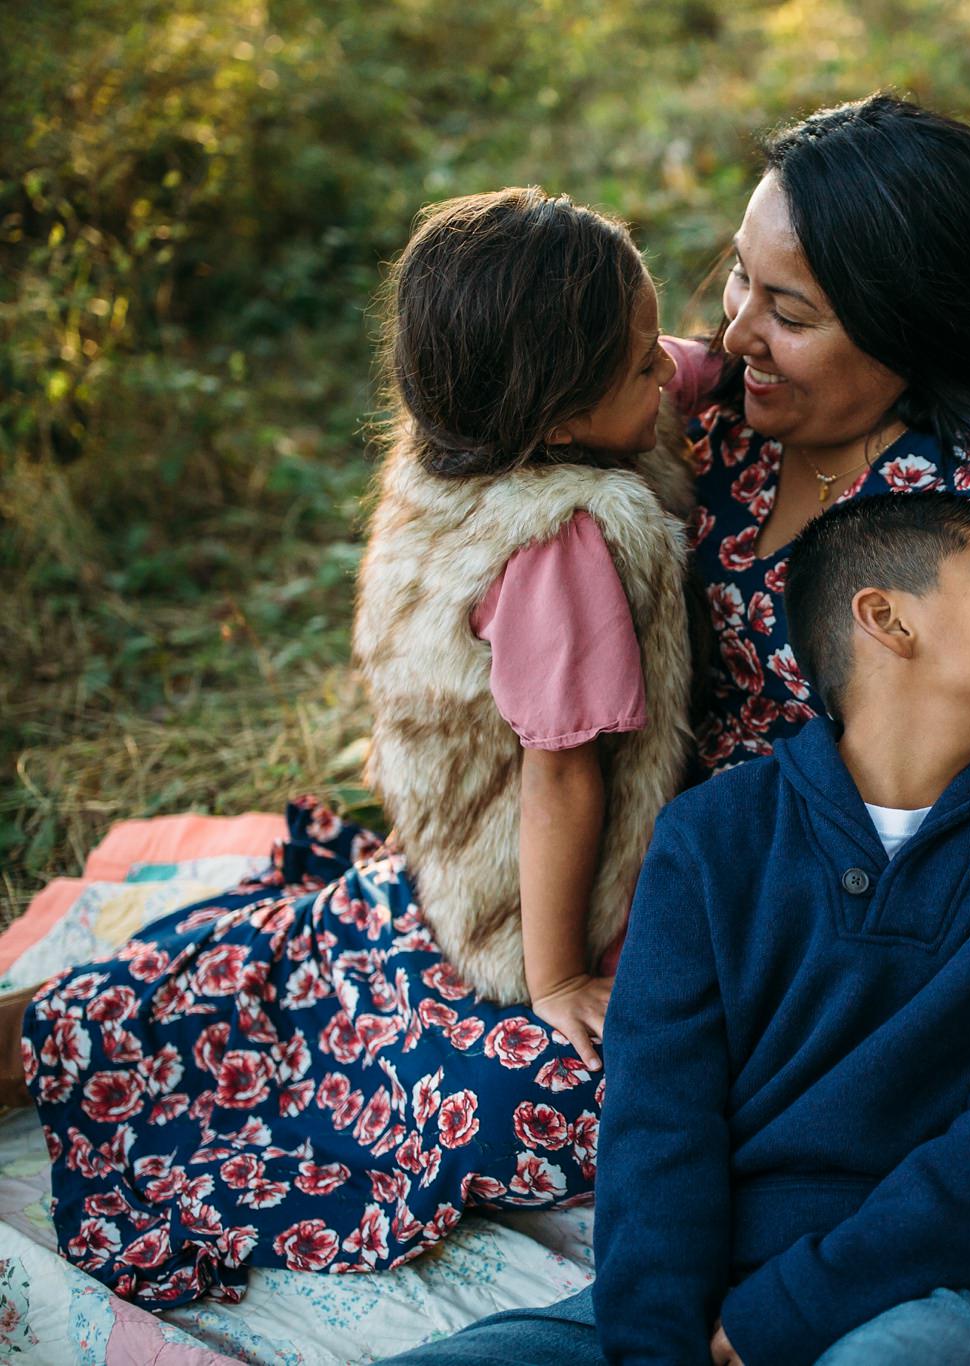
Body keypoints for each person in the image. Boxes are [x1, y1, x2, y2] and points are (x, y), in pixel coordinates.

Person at [0, 187, 697, 1304]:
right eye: (640, 368)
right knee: (556, 1099)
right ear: (559, 416)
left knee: (273, 976)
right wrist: (559, 972)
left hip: (442, 858)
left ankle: (63, 1033)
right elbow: (561, 775)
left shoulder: (465, 443)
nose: (670, 373)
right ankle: (64, 1046)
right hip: (530, 900)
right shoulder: (565, 547)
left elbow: (677, 360)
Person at [383, 492, 970, 1366]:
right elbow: (659, 1125)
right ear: (887, 620)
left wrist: (786, 1312)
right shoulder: (711, 835)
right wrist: (664, 1346)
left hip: (916, 1295)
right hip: (695, 1289)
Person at [661, 94, 970, 1277]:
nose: (738, 333)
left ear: (912, 328)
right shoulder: (720, 426)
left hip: (871, 956)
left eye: (789, 312)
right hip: (698, 895)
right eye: (737, 281)